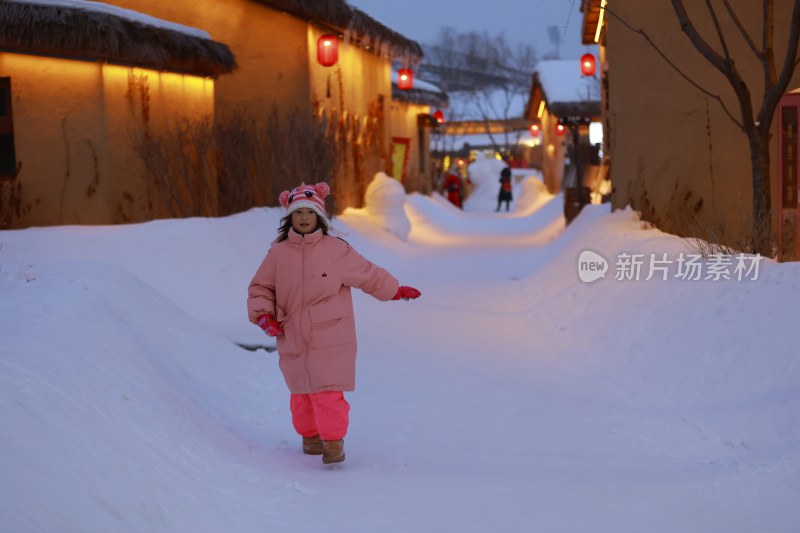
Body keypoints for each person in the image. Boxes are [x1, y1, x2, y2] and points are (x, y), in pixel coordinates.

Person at [247, 182, 421, 465]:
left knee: (327, 393)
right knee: (301, 396)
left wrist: (394, 290)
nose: (303, 217)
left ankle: (333, 442)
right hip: (292, 334)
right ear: (290, 218)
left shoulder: (335, 250)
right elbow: (260, 287)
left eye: (309, 212)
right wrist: (264, 315)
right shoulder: (278, 253)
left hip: (331, 335)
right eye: (298, 212)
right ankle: (310, 437)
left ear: (320, 218)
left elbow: (368, 274)